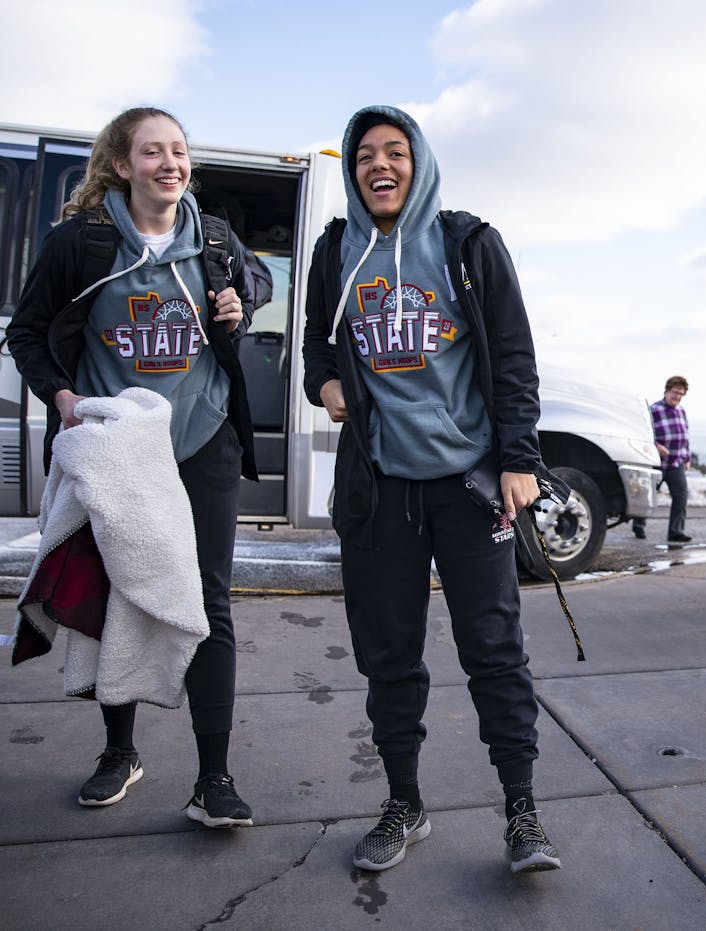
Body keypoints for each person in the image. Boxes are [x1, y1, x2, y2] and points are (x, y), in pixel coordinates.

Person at [301, 105, 560, 875]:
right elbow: (317, 335)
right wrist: (324, 381)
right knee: (389, 654)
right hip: (379, 488)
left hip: (469, 484)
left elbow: (514, 356)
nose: (380, 166)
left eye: (395, 152)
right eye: (364, 156)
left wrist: (520, 458)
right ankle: (404, 802)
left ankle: (523, 811)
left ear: (420, 161)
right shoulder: (335, 249)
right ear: (351, 171)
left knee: (494, 649)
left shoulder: (467, 243)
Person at [7, 106, 258, 827]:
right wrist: (64, 398)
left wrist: (237, 307)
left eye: (179, 151)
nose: (170, 163)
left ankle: (215, 777)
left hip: (204, 435)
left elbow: (249, 291)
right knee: (121, 596)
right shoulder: (81, 243)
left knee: (209, 602)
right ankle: (119, 752)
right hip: (120, 447)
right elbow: (27, 334)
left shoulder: (211, 238)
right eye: (153, 152)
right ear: (122, 164)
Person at [633, 376, 692, 543]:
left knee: (681, 497)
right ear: (666, 391)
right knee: (648, 495)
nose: (678, 397)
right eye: (675, 392)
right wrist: (656, 445)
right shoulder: (654, 410)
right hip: (657, 462)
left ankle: (675, 532)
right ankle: (638, 525)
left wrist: (687, 457)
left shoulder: (682, 411)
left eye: (681, 394)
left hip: (676, 463)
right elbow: (644, 433)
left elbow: (685, 437)